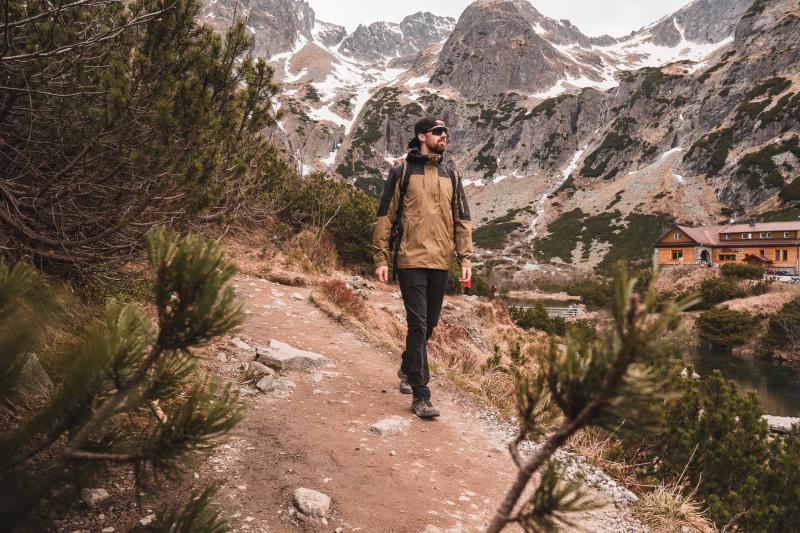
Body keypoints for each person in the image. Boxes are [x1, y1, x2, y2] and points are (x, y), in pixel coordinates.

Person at [372, 117, 473, 419]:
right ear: (421, 136)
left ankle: (407, 366)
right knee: (417, 324)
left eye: (445, 132)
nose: (444, 136)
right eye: (437, 132)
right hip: (410, 259)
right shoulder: (402, 172)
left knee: (428, 325)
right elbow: (384, 216)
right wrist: (381, 258)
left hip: (440, 261)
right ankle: (421, 394)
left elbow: (462, 220)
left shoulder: (451, 174)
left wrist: (465, 259)